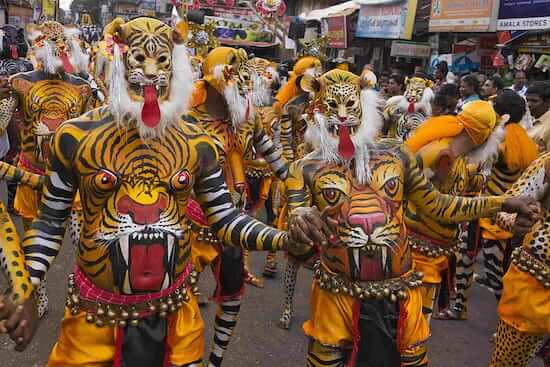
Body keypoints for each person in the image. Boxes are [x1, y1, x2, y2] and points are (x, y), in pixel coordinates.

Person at [0, 16, 315, 367]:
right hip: (93, 319)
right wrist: (26, 283)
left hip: (176, 320)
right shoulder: (76, 136)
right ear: (119, 59)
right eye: (139, 59)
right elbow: (49, 222)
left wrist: (284, 239)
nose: (150, 72)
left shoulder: (196, 141)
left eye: (162, 62)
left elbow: (225, 219)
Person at [284, 69, 539, 367]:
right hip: (336, 295)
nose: (342, 116)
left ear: (364, 107)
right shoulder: (303, 168)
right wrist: (299, 223)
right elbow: (297, 246)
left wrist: (504, 202)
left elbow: (438, 205)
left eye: (350, 106)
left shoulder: (396, 154)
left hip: (400, 294)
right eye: (332, 107)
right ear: (317, 109)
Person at [443, 90, 538, 321]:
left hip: (489, 211)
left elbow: (475, 171)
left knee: (488, 269)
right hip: (508, 211)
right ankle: (461, 307)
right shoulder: (525, 138)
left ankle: (506, 319)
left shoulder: (499, 140)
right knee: (479, 262)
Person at [526, 81, 550, 151]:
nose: (529, 104)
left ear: (548, 102)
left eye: (534, 101)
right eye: (527, 100)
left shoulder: (548, 127)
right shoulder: (534, 119)